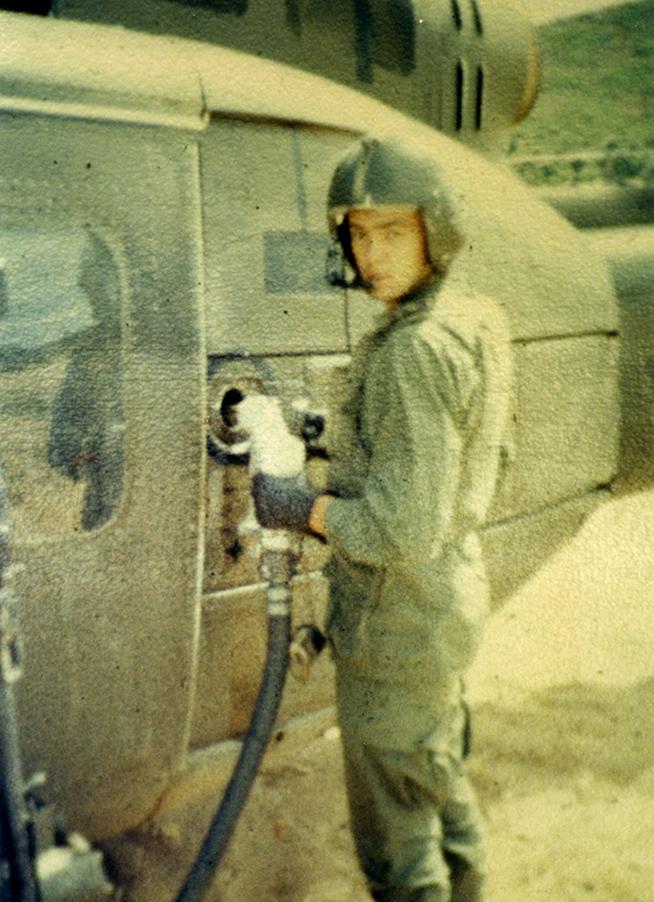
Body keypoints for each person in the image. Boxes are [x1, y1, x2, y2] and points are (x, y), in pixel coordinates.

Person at [252, 136, 512, 901]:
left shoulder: (411, 352)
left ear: (438, 229)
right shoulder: (473, 318)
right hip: (442, 607)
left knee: (400, 854)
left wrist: (304, 507)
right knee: (438, 787)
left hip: (395, 629)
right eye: (359, 234)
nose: (372, 254)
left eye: (394, 231)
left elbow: (401, 528)